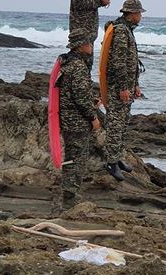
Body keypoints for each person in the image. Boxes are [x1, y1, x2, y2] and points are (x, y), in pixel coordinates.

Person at [57, 28, 102, 210]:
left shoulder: (67, 63)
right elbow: (80, 97)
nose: (91, 46)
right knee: (77, 159)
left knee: (71, 157)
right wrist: (93, 117)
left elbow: (70, 92)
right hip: (77, 120)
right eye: (88, 43)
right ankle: (71, 197)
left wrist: (92, 100)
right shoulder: (78, 66)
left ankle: (69, 194)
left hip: (68, 118)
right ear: (81, 46)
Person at [102, 0, 145, 181]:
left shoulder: (127, 30)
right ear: (131, 14)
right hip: (117, 87)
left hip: (126, 85)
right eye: (139, 13)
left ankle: (117, 157)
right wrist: (122, 88)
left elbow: (131, 62)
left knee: (123, 122)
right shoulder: (121, 31)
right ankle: (111, 163)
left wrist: (135, 84)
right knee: (115, 124)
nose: (141, 16)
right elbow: (118, 63)